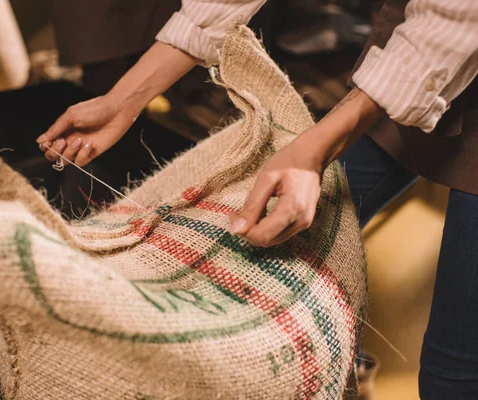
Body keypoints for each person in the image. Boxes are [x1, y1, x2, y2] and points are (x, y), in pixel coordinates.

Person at [36, 0, 478, 397]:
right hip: (414, 43)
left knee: (450, 377)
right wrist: (123, 100)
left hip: (449, 33)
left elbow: (454, 18)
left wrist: (317, 148)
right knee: (261, 246)